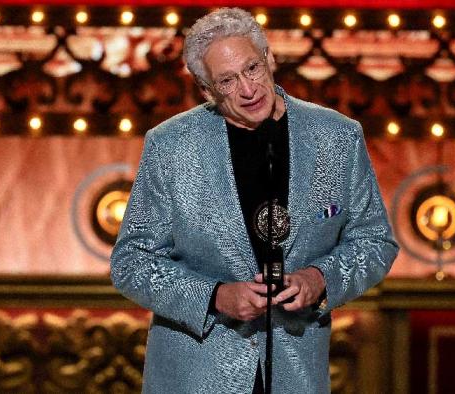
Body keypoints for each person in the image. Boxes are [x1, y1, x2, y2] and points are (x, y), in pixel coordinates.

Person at [110, 7, 398, 393]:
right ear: (206, 90)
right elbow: (132, 262)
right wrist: (215, 298)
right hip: (195, 377)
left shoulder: (338, 137)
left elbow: (374, 241)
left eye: (252, 69)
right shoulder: (171, 147)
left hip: (296, 373)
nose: (247, 90)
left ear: (270, 58)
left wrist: (320, 279)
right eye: (227, 80)